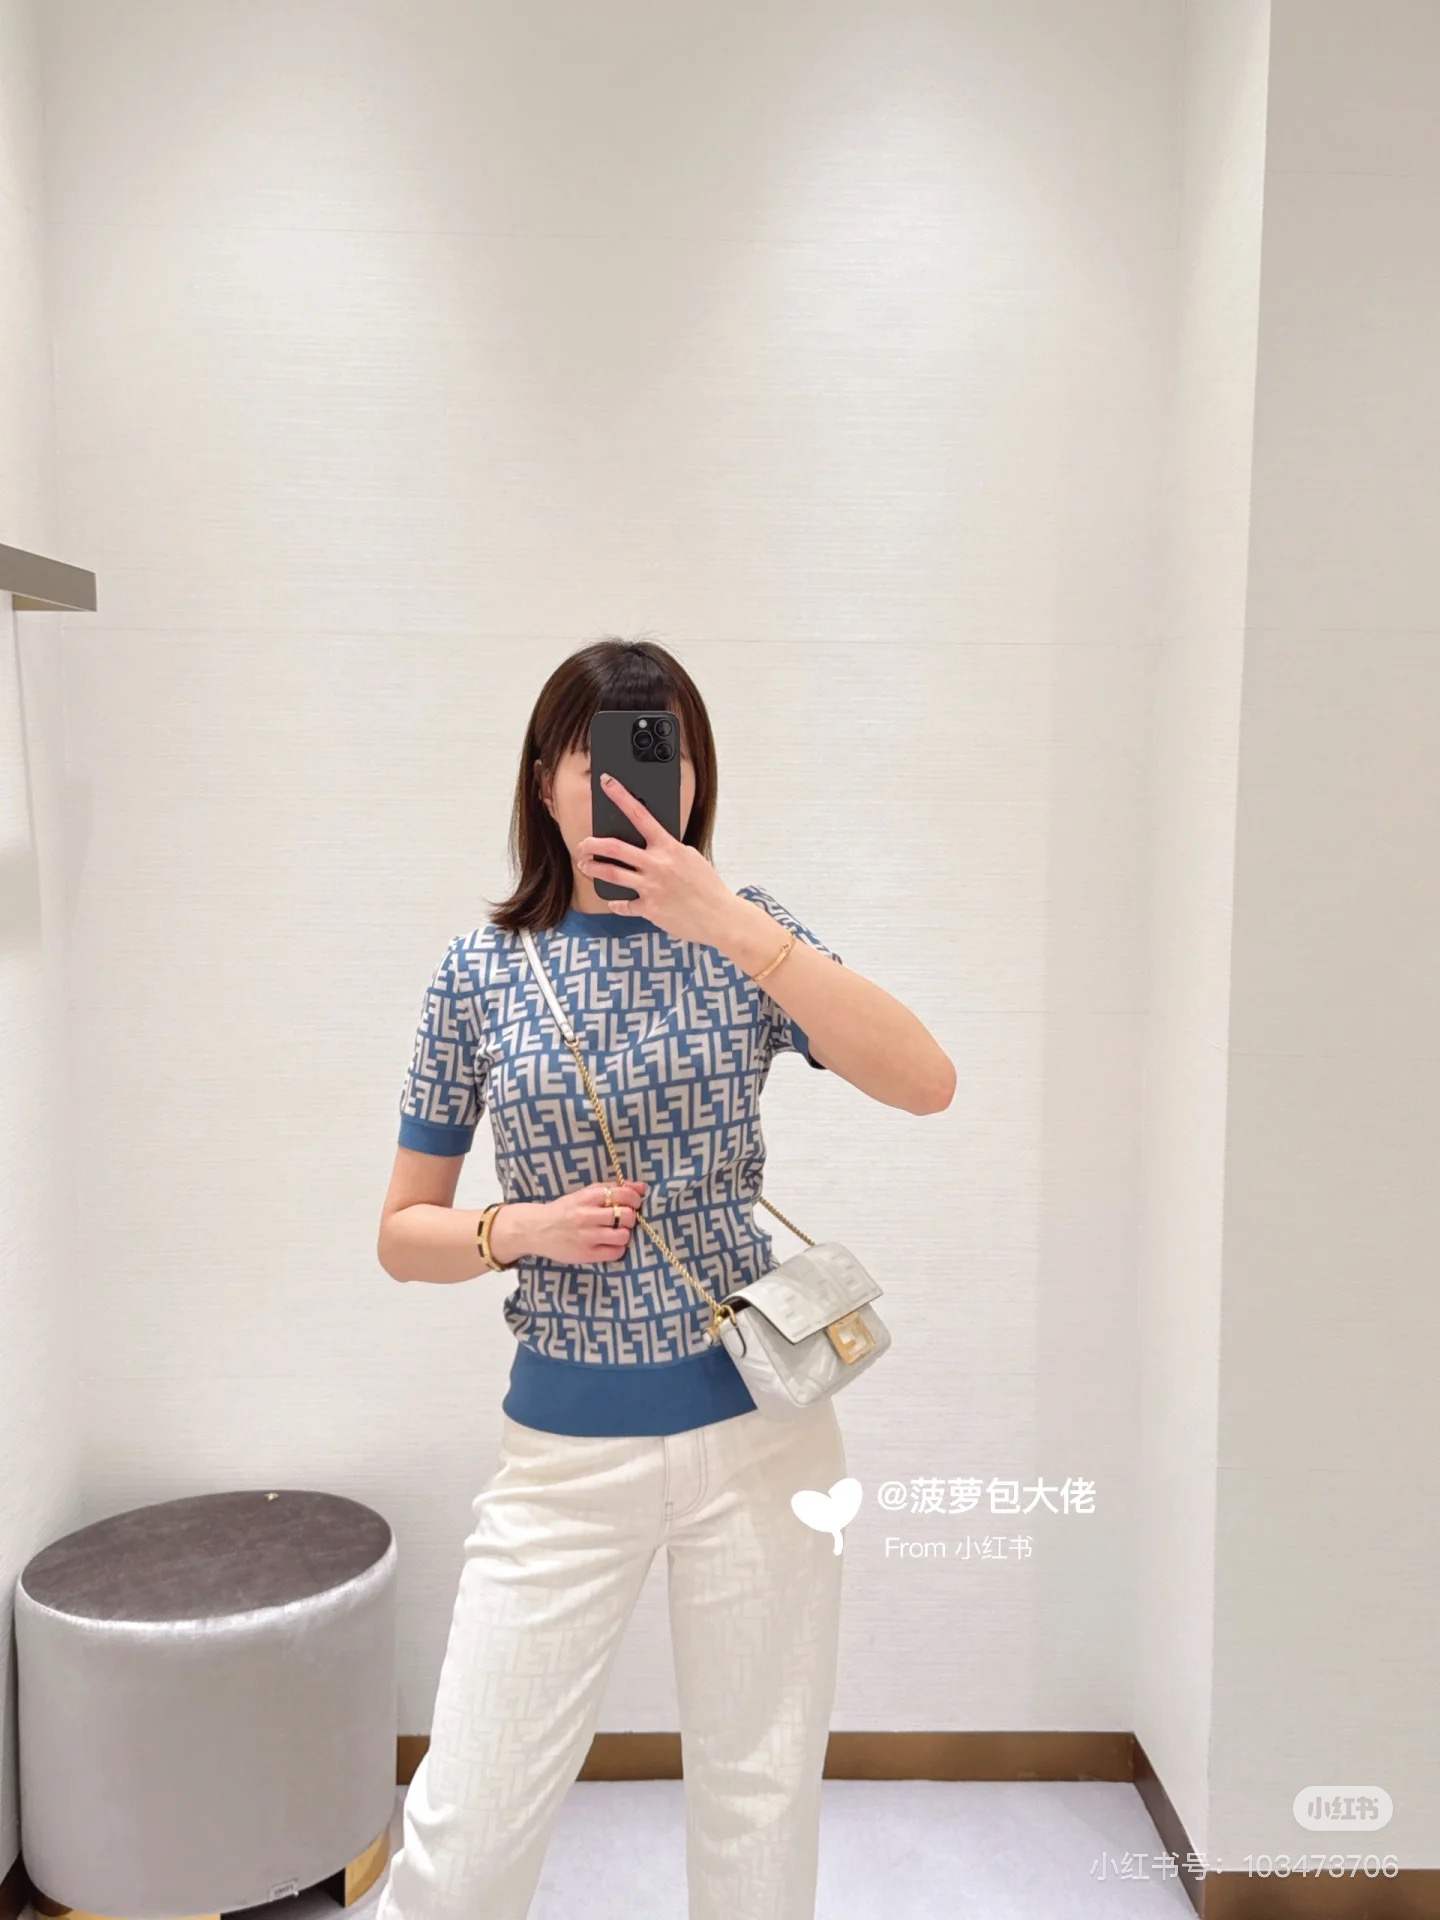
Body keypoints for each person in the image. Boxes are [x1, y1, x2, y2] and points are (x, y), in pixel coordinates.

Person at [374, 636, 955, 1920]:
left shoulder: (748, 938)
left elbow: (927, 1080)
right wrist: (520, 1230)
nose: (635, 784)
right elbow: (403, 1232)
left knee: (759, 1804)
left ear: (696, 778)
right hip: (562, 1461)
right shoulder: (479, 974)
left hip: (764, 1436)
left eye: (664, 752)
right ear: (543, 782)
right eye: (600, 756)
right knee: (465, 1842)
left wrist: (732, 923)